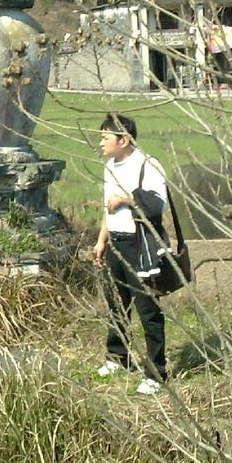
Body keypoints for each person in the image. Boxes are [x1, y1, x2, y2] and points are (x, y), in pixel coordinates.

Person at [92, 113, 167, 396]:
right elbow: (106, 209)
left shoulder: (147, 165)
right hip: (115, 243)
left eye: (105, 138)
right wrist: (101, 242)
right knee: (116, 303)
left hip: (140, 244)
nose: (101, 143)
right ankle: (117, 358)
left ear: (124, 140)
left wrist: (126, 198)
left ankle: (156, 372)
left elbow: (157, 205)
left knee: (147, 309)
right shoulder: (109, 166)